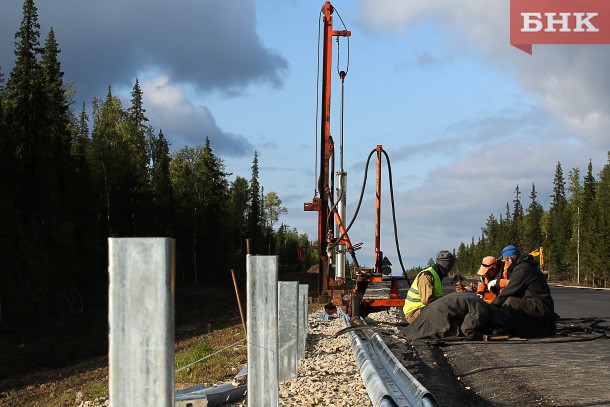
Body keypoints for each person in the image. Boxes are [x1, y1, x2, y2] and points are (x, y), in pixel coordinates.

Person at [491, 245, 556, 337]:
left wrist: (491, 308)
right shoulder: (526, 266)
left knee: (509, 302)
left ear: (510, 259)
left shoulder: (523, 269)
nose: (505, 264)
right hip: (542, 305)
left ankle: (506, 329)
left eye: (505, 261)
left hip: (541, 307)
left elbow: (507, 292)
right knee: (511, 300)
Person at [403, 292, 510, 341]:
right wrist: (482, 337)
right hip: (439, 314)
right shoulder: (482, 310)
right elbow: (468, 330)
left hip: (429, 310)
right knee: (453, 332)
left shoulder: (477, 299)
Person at [403, 250, 455, 323]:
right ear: (446, 265)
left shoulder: (437, 275)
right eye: (450, 266)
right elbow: (427, 300)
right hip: (414, 313)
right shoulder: (427, 275)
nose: (450, 269)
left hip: (424, 309)